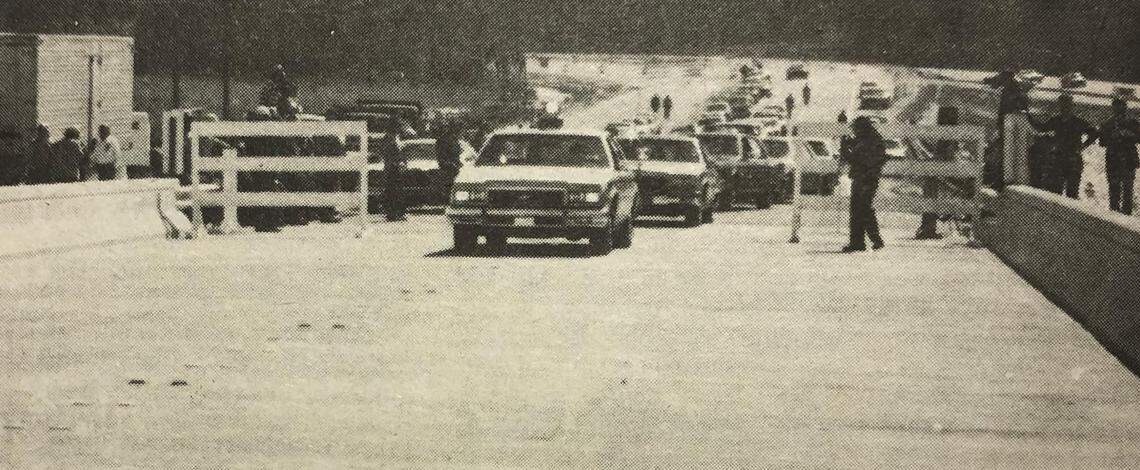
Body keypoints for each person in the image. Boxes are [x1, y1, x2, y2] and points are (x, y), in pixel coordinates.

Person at [1025, 94, 1097, 199]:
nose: (1065, 108)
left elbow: (1094, 133)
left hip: (1073, 159)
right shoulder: (1056, 120)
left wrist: (1083, 145)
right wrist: (1029, 117)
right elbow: (1041, 128)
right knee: (1056, 192)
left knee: (1072, 193)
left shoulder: (1078, 122)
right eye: (1063, 105)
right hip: (1059, 159)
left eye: (1067, 105)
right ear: (1060, 106)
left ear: (1071, 106)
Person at [840, 116, 887, 253]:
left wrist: (844, 148)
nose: (855, 131)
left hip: (864, 178)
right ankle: (864, 241)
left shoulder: (867, 141)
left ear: (861, 128)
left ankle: (868, 240)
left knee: (861, 209)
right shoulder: (872, 138)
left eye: (856, 129)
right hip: (868, 178)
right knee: (862, 209)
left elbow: (854, 159)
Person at [1098, 97, 1139, 214]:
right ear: (1113, 108)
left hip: (1128, 160)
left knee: (1127, 191)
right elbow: (1102, 142)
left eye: (1121, 106)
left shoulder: (1132, 122)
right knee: (1114, 190)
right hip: (1113, 159)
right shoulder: (1107, 123)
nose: (1118, 108)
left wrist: (1127, 134)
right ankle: (1114, 215)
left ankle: (1126, 216)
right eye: (1116, 106)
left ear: (1125, 107)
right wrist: (1112, 136)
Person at [381, 119, 410, 222]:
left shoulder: (398, 138)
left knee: (399, 191)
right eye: (399, 126)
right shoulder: (388, 138)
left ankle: (398, 213)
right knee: (392, 191)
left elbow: (401, 153)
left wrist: (403, 163)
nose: (401, 128)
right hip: (392, 170)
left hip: (398, 170)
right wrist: (397, 163)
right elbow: (387, 154)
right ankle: (391, 214)